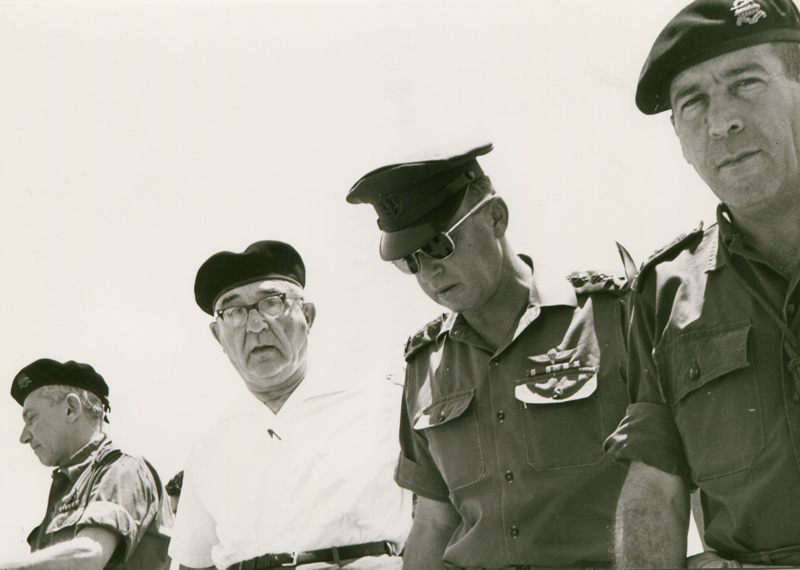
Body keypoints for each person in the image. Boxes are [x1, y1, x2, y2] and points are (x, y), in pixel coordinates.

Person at [346, 142, 631, 570]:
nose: (429, 271)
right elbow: (434, 520)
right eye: (410, 260)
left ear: (496, 217)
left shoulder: (611, 318)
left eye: (440, 245)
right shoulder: (424, 368)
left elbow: (677, 469)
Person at [603, 0, 800, 567]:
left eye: (747, 84)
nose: (722, 121)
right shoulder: (663, 293)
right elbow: (655, 488)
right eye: (694, 103)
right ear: (680, 140)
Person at [168, 240, 412, 570]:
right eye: (235, 311)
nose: (255, 325)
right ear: (218, 335)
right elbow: (192, 562)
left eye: (271, 303)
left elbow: (444, 520)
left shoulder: (383, 402)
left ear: (307, 316)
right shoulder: (210, 443)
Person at [4, 358, 173, 570]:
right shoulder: (74, 483)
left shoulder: (121, 468)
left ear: (71, 409)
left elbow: (90, 554)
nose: (24, 436)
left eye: (31, 418)